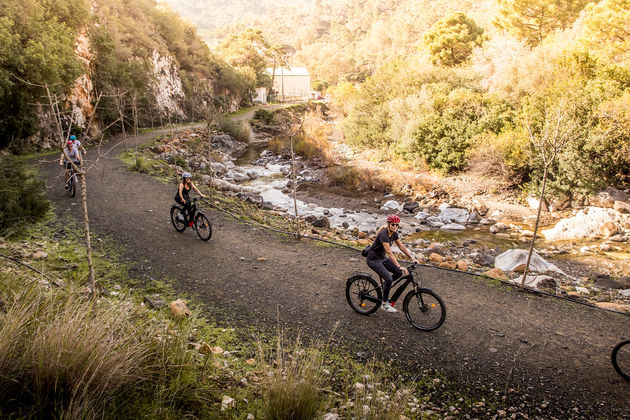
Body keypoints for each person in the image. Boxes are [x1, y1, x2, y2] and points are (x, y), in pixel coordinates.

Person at [365, 214, 419, 313]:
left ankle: (385, 285)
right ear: (388, 224)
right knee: (389, 278)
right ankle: (384, 304)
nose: (395, 227)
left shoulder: (394, 233)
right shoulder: (383, 234)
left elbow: (401, 246)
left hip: (382, 258)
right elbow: (389, 252)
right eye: (393, 224)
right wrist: (399, 266)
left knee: (398, 273)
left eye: (397, 225)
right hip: (373, 260)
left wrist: (412, 257)